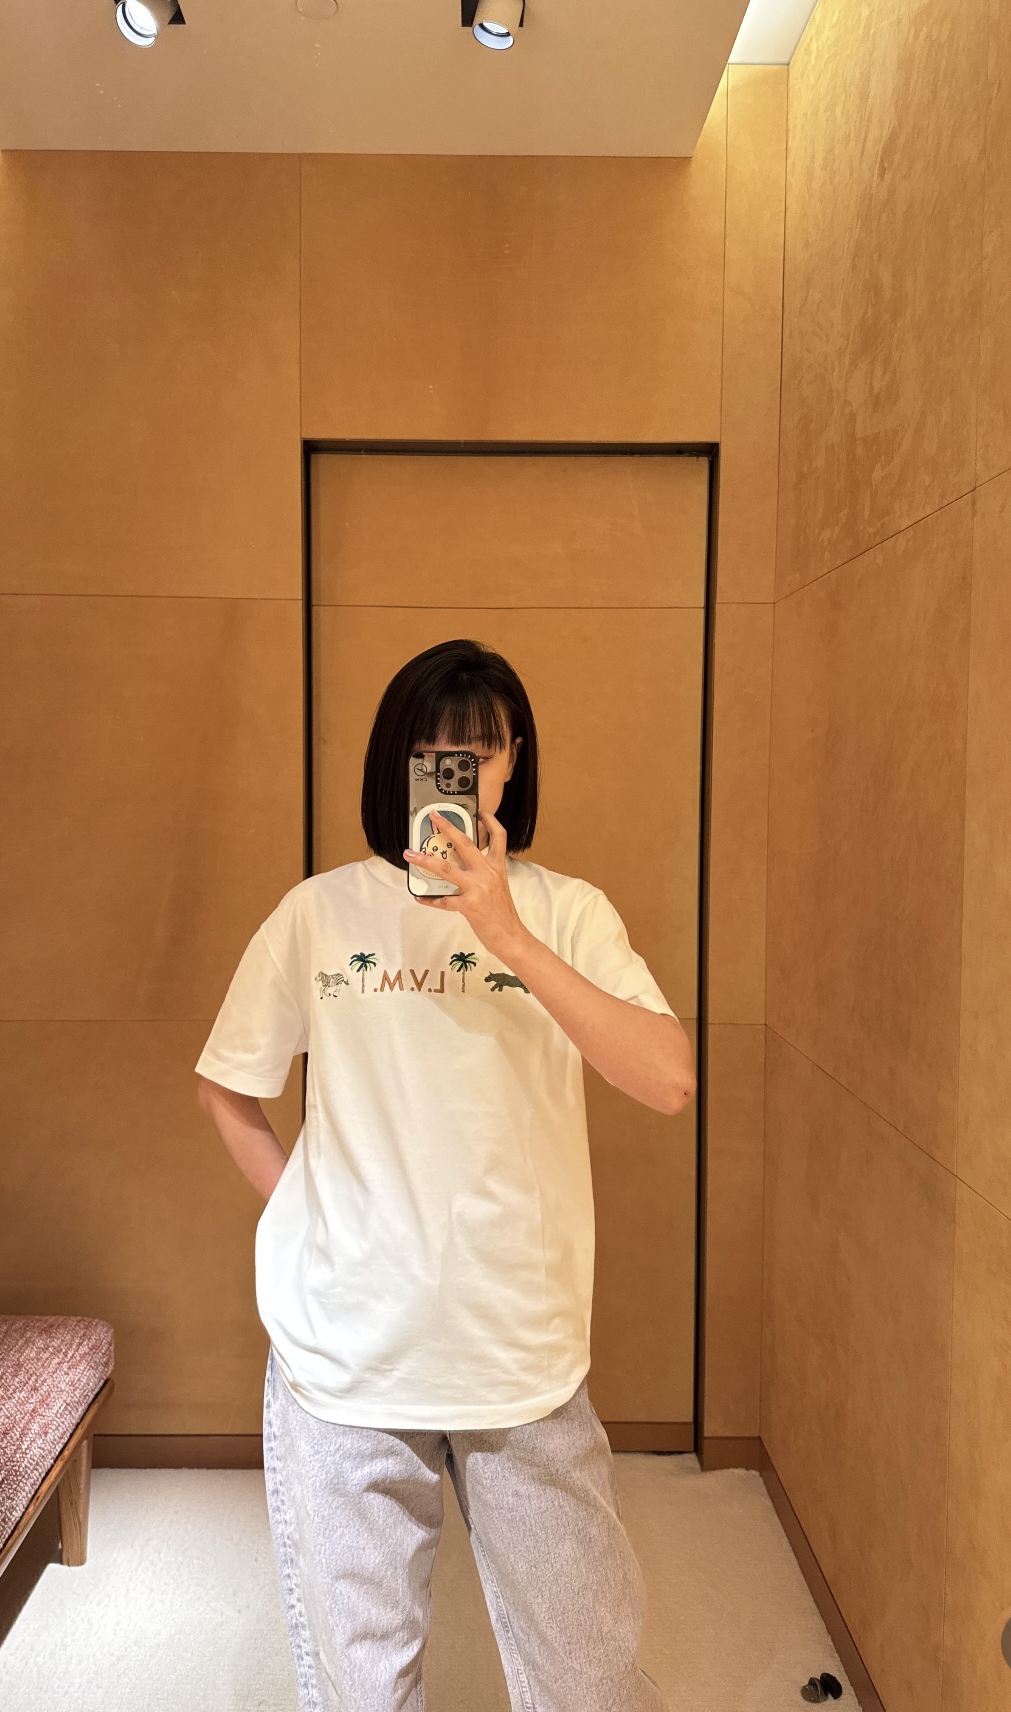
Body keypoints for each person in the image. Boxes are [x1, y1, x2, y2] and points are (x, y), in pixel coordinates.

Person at [196, 637, 696, 1712]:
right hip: (346, 1358)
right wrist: (309, 1215)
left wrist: (505, 929)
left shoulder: (568, 911)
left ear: (513, 763)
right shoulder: (318, 913)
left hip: (520, 1353)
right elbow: (228, 1087)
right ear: (399, 759)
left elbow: (666, 1078)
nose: (458, 772)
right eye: (434, 750)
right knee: (363, 1691)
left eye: (483, 750)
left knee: (590, 1681)